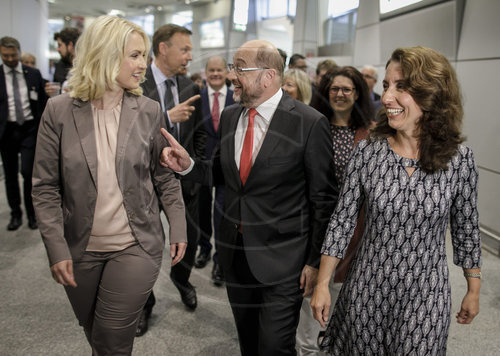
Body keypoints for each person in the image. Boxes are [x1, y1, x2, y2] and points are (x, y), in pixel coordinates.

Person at [161, 39, 338, 356]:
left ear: (268, 76)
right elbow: (219, 173)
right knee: (248, 342)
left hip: (284, 262)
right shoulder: (230, 116)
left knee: (273, 347)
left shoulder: (309, 123)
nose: (232, 76)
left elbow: (323, 201)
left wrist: (315, 263)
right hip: (236, 256)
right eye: (232, 67)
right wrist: (188, 165)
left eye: (239, 68)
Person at [31, 15, 187, 355]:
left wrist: (178, 226)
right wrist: (56, 248)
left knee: (112, 341)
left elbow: (164, 176)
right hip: (79, 248)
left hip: (136, 245)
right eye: (133, 55)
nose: (142, 64)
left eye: (143, 55)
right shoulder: (57, 111)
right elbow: (44, 188)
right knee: (95, 336)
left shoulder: (148, 110)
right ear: (104, 54)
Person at [311, 46, 482, 355]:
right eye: (386, 85)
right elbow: (342, 222)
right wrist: (323, 284)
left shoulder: (459, 161)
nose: (387, 97)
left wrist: (473, 288)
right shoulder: (367, 153)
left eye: (401, 86)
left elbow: (466, 230)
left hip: (426, 294)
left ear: (432, 92)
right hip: (366, 290)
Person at [298, 66, 373, 355]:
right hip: (316, 223)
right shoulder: (311, 125)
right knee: (312, 292)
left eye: (347, 89)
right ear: (325, 91)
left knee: (347, 297)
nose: (340, 94)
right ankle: (307, 349)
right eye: (334, 89)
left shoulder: (371, 133)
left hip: (357, 228)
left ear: (357, 94)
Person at [138, 23, 205, 336]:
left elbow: (201, 134)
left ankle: (182, 281)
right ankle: (144, 302)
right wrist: (166, 117)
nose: (190, 56)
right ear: (163, 48)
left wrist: (193, 167)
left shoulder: (190, 87)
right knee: (143, 247)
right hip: (144, 182)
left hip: (183, 181)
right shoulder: (135, 82)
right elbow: (125, 133)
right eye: (185, 49)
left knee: (186, 240)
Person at [195, 55, 235, 287]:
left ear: (226, 72)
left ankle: (220, 258)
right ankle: (204, 248)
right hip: (201, 165)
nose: (216, 74)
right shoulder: (197, 98)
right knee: (201, 209)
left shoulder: (235, 97)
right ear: (206, 72)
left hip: (227, 166)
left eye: (219, 70)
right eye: (211, 70)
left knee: (221, 212)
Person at [0, 36, 47, 230]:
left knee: (28, 173)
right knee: (10, 175)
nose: (9, 59)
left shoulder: (33, 74)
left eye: (12, 55)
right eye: (5, 56)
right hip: (7, 131)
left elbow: (43, 102)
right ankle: (16, 214)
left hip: (29, 129)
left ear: (19, 53)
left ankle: (32, 214)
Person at [46, 27, 81, 97]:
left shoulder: (86, 66)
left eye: (60, 45)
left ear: (70, 45)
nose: (57, 49)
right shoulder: (59, 65)